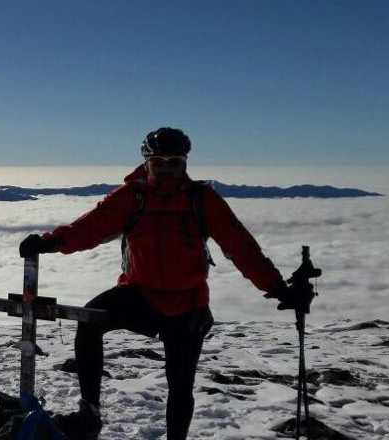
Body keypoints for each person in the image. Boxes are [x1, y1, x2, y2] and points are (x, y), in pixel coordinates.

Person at [18, 127, 297, 440]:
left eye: (174, 162)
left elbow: (240, 245)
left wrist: (275, 286)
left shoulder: (202, 200)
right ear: (147, 162)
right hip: (139, 295)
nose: (166, 169)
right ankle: (89, 416)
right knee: (89, 320)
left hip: (188, 303)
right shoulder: (132, 197)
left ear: (185, 164)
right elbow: (91, 227)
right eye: (159, 162)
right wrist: (50, 242)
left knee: (180, 386)